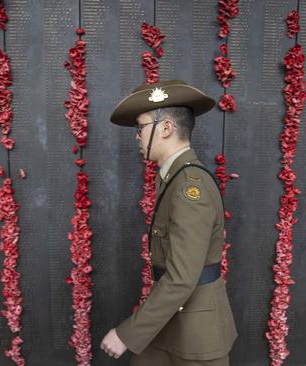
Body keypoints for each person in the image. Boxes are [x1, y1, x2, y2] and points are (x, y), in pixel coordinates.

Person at [100, 80, 238, 366]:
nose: (137, 136)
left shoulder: (190, 188)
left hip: (196, 335)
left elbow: (181, 277)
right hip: (172, 319)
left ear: (165, 129)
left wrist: (126, 335)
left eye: (141, 128)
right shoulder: (175, 178)